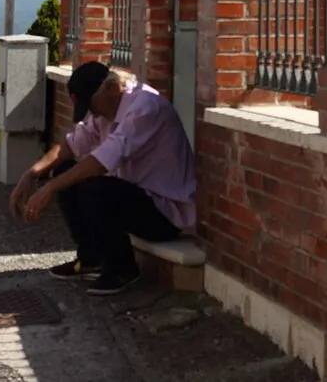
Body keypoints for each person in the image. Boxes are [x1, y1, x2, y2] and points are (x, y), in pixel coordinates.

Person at [10, 61, 196, 295]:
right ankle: (91, 259)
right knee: (66, 171)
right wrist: (33, 173)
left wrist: (49, 189)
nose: (92, 112)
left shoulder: (145, 108)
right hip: (136, 199)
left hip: (166, 213)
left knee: (94, 186)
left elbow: (100, 163)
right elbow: (70, 145)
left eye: (92, 104)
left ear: (111, 87)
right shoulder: (105, 110)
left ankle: (123, 269)